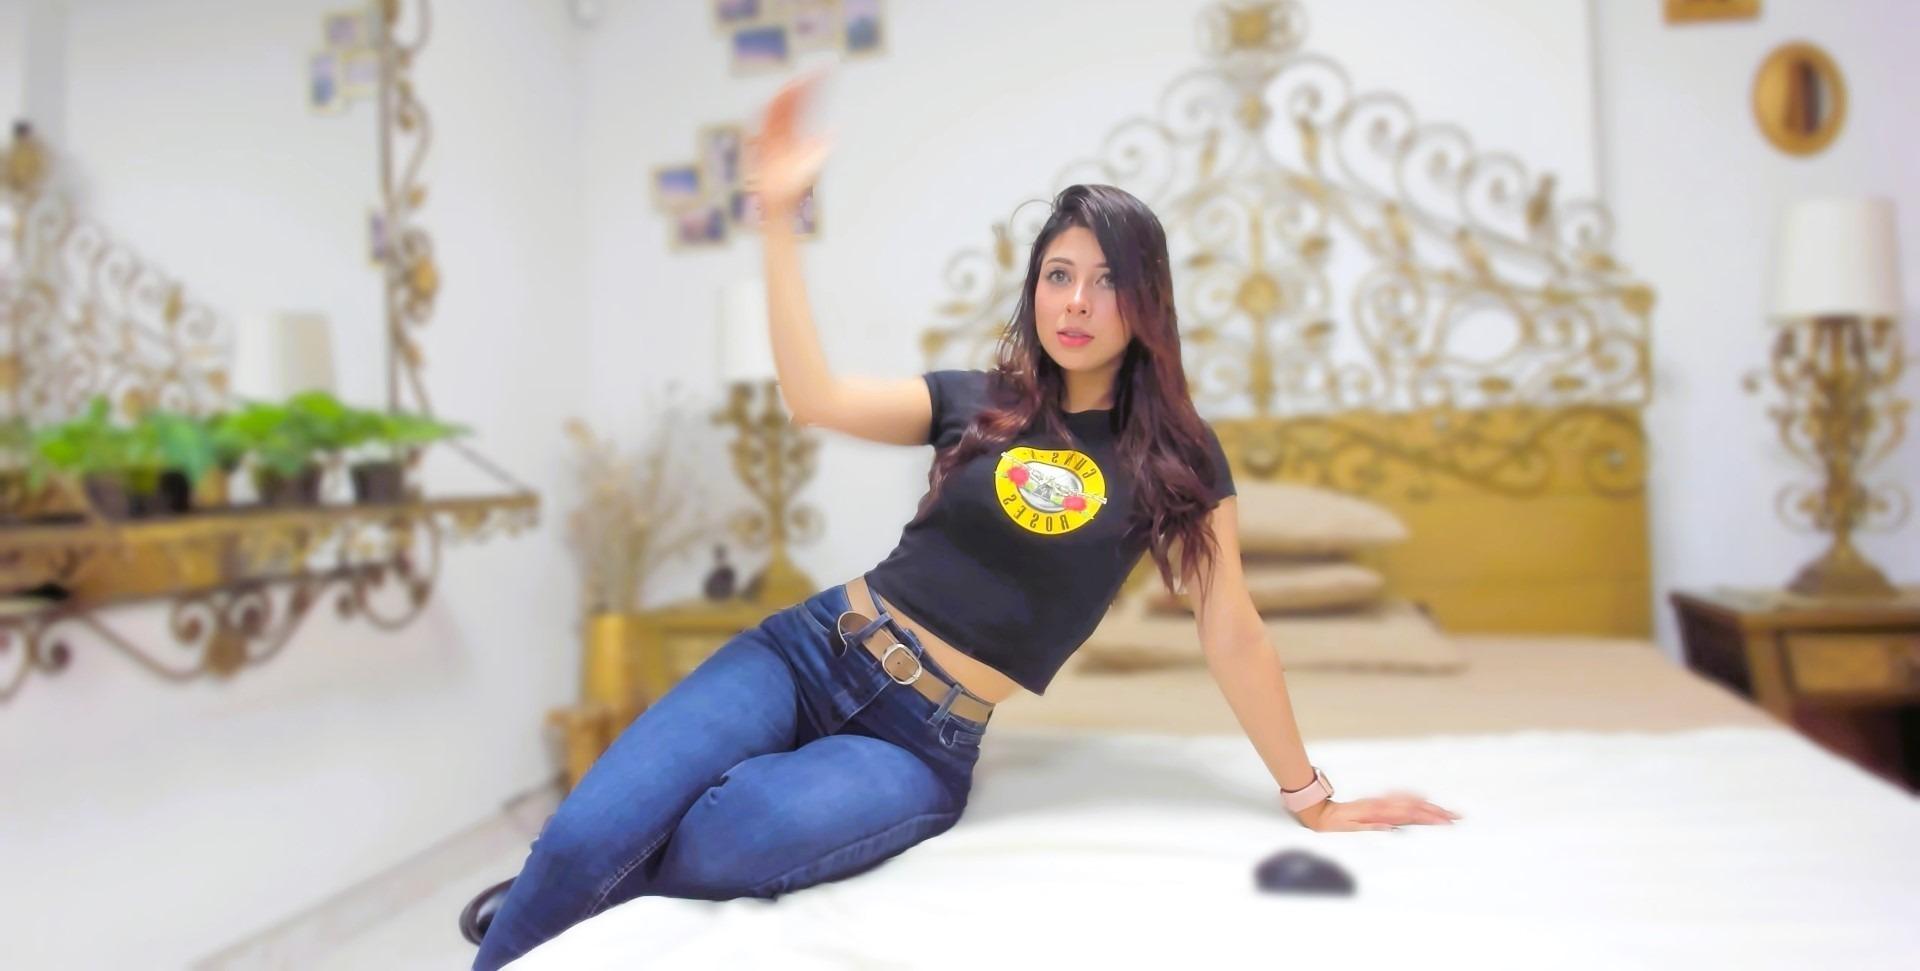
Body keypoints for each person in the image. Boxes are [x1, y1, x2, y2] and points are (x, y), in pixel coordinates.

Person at [463, 73, 1459, 969]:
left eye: (1107, 279)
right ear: (1035, 288)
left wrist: (1311, 796)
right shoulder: (979, 400)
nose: (1077, 300)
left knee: (734, 831)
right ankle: (562, 887)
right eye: (1059, 273)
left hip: (918, 739)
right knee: (583, 831)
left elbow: (1232, 628)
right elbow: (815, 397)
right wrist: (776, 223)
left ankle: (567, 898)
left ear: (1146, 300)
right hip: (808, 650)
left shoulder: (1177, 460)